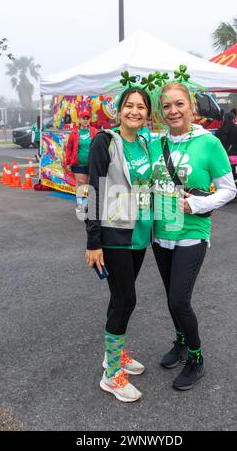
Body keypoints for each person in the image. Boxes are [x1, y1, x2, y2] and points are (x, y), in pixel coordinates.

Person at [148, 80, 236, 391]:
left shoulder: (208, 143)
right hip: (161, 234)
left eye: (179, 104)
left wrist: (197, 203)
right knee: (172, 301)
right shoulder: (158, 144)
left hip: (192, 233)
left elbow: (229, 189)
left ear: (191, 107)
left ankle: (196, 358)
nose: (173, 110)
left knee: (179, 300)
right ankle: (181, 341)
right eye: (167, 105)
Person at [85, 87, 153, 402]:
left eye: (141, 107)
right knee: (126, 300)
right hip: (114, 234)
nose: (135, 111)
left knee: (119, 297)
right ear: (119, 110)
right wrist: (93, 241)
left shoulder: (144, 143)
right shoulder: (105, 141)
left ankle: (115, 354)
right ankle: (112, 374)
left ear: (148, 114)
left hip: (139, 233)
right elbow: (94, 191)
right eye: (129, 106)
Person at [64, 111, 98, 214]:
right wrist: (68, 161)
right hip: (78, 163)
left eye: (87, 118)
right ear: (79, 120)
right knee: (80, 183)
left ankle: (87, 204)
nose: (85, 120)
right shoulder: (74, 133)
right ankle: (79, 204)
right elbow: (69, 148)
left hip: (91, 163)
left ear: (89, 120)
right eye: (83, 118)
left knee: (89, 184)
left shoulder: (94, 131)